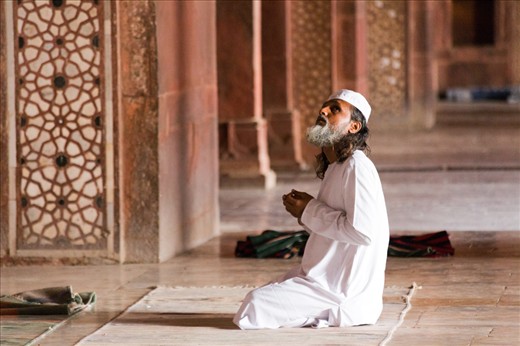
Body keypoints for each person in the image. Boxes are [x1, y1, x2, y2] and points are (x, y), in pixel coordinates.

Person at [233, 89, 389, 329]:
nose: (323, 111)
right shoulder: (337, 166)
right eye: (324, 107)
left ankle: (333, 312)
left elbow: (363, 232)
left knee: (254, 306)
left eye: (335, 109)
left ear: (354, 127)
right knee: (262, 295)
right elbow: (333, 224)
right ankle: (318, 312)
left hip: (342, 289)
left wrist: (309, 209)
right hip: (323, 277)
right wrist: (305, 212)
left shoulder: (357, 167)